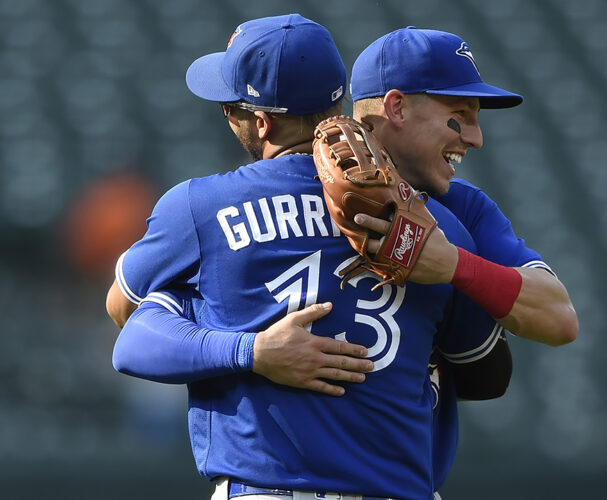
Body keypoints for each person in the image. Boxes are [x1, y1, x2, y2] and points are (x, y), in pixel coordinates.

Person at [108, 14, 506, 500]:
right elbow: (486, 369)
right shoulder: (435, 229)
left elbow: (127, 322)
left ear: (260, 121)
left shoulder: (199, 209)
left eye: (228, 107)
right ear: (336, 101)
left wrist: (248, 351)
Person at [347, 26, 579, 491]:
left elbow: (559, 318)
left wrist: (453, 265)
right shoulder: (291, 199)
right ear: (395, 108)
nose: (474, 137)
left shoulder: (465, 207)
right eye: (460, 114)